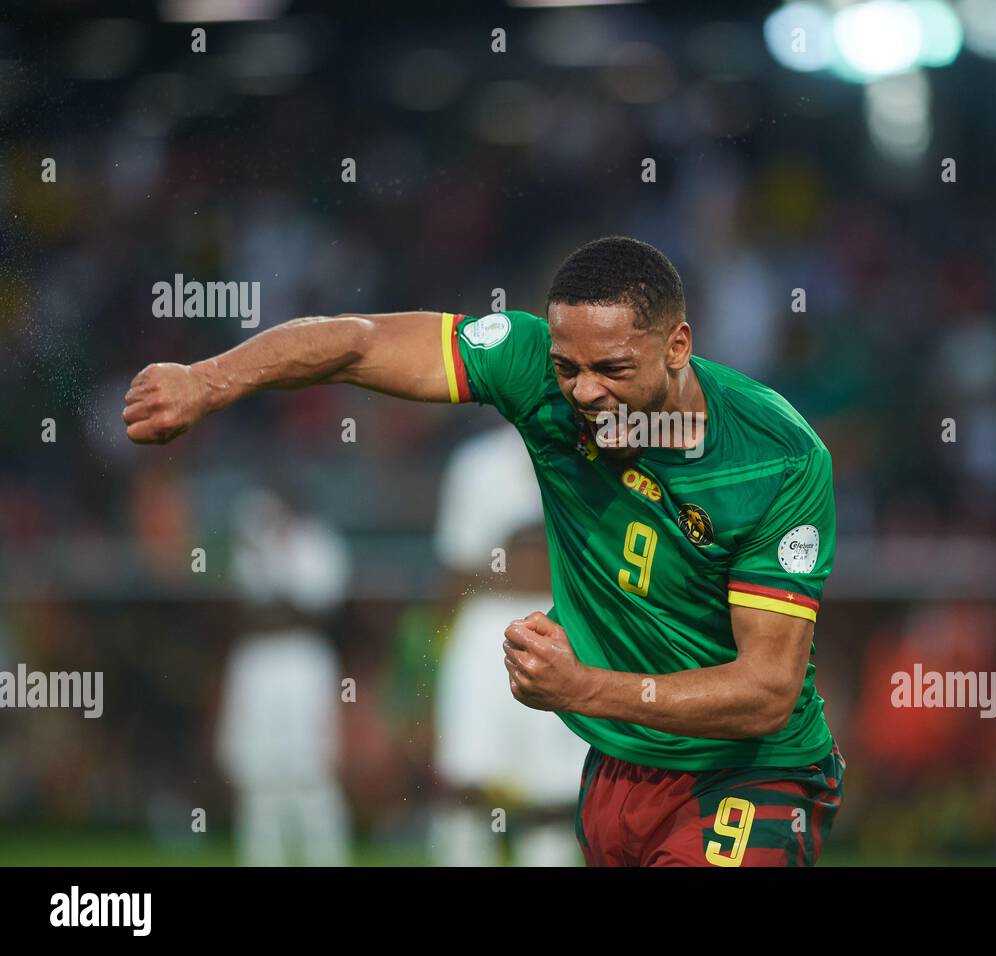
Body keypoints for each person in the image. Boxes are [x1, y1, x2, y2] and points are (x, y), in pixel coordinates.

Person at [124, 235, 844, 866]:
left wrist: (584, 688)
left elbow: (765, 694)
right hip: (621, 767)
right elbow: (359, 342)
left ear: (678, 345)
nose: (586, 392)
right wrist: (207, 381)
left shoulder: (774, 458)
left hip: (748, 770)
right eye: (569, 367)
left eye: (614, 370)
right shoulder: (533, 372)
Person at [430, 425, 588, 866]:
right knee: (468, 782)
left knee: (553, 791)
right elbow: (456, 567)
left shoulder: (597, 455)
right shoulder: (477, 463)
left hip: (565, 624)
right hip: (487, 628)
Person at [215, 488, 352, 866]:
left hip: (302, 659)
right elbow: (239, 607)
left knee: (312, 773)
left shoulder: (318, 543)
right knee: (257, 778)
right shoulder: (247, 528)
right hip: (257, 659)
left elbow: (319, 610)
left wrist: (280, 584)